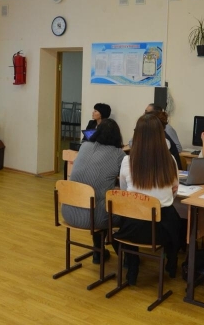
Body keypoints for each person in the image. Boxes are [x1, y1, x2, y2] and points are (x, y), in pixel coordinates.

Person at [115, 114, 180, 285]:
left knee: (124, 218)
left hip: (132, 228)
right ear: (161, 135)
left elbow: (124, 190)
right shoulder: (170, 160)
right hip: (162, 229)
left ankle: (132, 266)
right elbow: (174, 193)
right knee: (176, 220)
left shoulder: (127, 161)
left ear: (137, 135)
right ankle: (171, 264)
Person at [61, 118, 125, 264]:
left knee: (99, 202)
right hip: (93, 217)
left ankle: (98, 251)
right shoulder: (118, 154)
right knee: (122, 212)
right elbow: (125, 179)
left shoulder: (84, 146)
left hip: (68, 212)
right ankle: (127, 257)